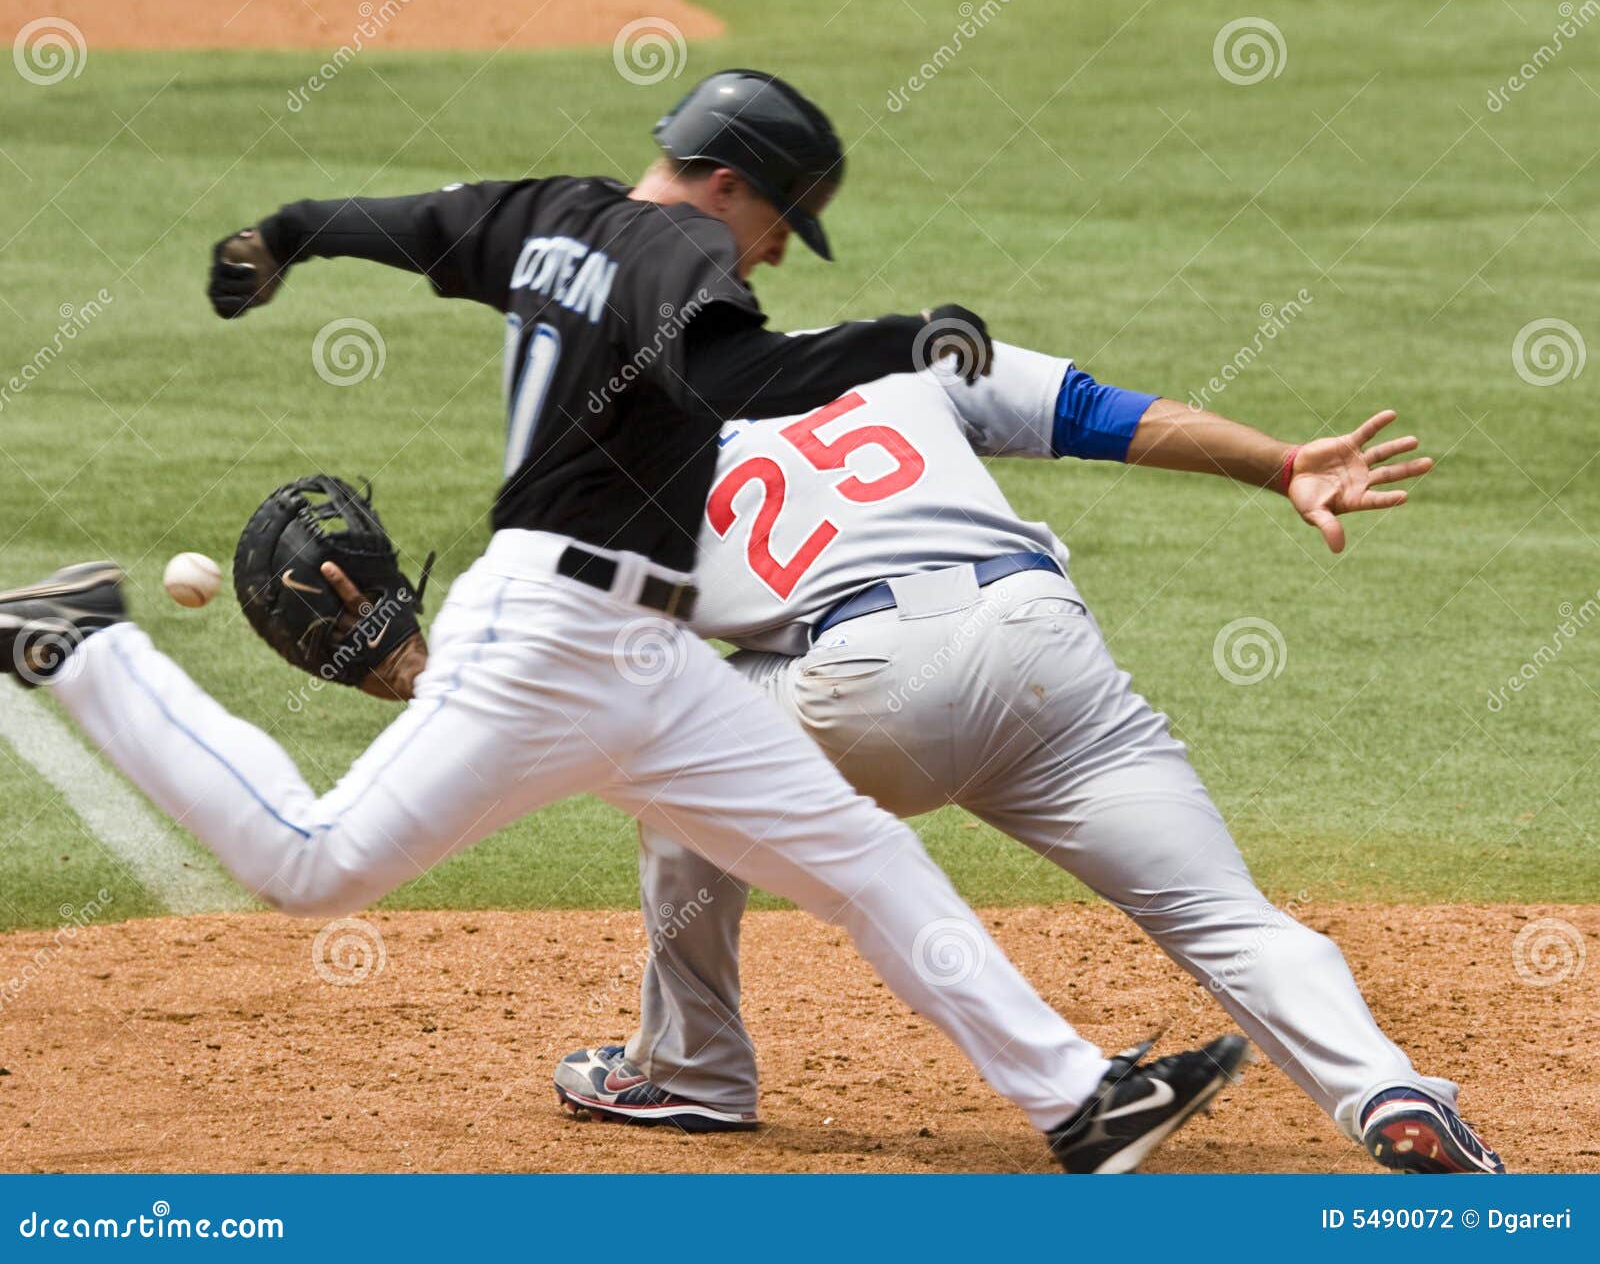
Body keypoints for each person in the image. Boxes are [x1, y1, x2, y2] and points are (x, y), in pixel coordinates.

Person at [0, 70, 1245, 1175]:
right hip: (549, 635)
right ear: (724, 184)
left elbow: (401, 225)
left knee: (865, 858)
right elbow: (725, 377)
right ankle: (86, 645)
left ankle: (1082, 1101)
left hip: (646, 658)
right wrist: (903, 342)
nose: (765, 258)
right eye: (776, 226)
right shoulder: (679, 251)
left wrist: (276, 238)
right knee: (312, 866)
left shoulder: (543, 211)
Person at [547, 340, 1505, 1176]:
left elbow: (611, 653)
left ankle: (691, 1068)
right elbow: (1092, 411)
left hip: (859, 685)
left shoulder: (639, 461)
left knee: (680, 755)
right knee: (1222, 913)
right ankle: (1389, 1093)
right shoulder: (883, 356)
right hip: (1043, 646)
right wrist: (1286, 462)